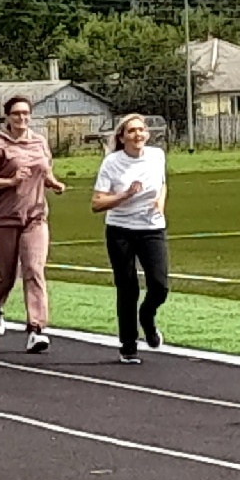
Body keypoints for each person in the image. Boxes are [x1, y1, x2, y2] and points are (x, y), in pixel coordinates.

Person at [0, 94, 65, 354]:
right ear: (7, 117)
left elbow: (45, 171)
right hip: (4, 218)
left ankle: (36, 329)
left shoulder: (39, 142)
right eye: (16, 113)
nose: (22, 118)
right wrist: (10, 182)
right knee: (7, 276)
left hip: (35, 216)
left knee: (34, 269)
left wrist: (53, 183)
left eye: (26, 113)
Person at [90, 113, 169, 366]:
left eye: (141, 130)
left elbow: (163, 183)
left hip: (152, 228)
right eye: (131, 131)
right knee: (128, 288)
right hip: (121, 229)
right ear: (122, 137)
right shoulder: (112, 163)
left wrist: (160, 202)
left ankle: (147, 316)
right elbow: (97, 203)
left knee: (159, 284)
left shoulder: (157, 155)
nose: (137, 135)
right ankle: (129, 345)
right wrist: (125, 195)